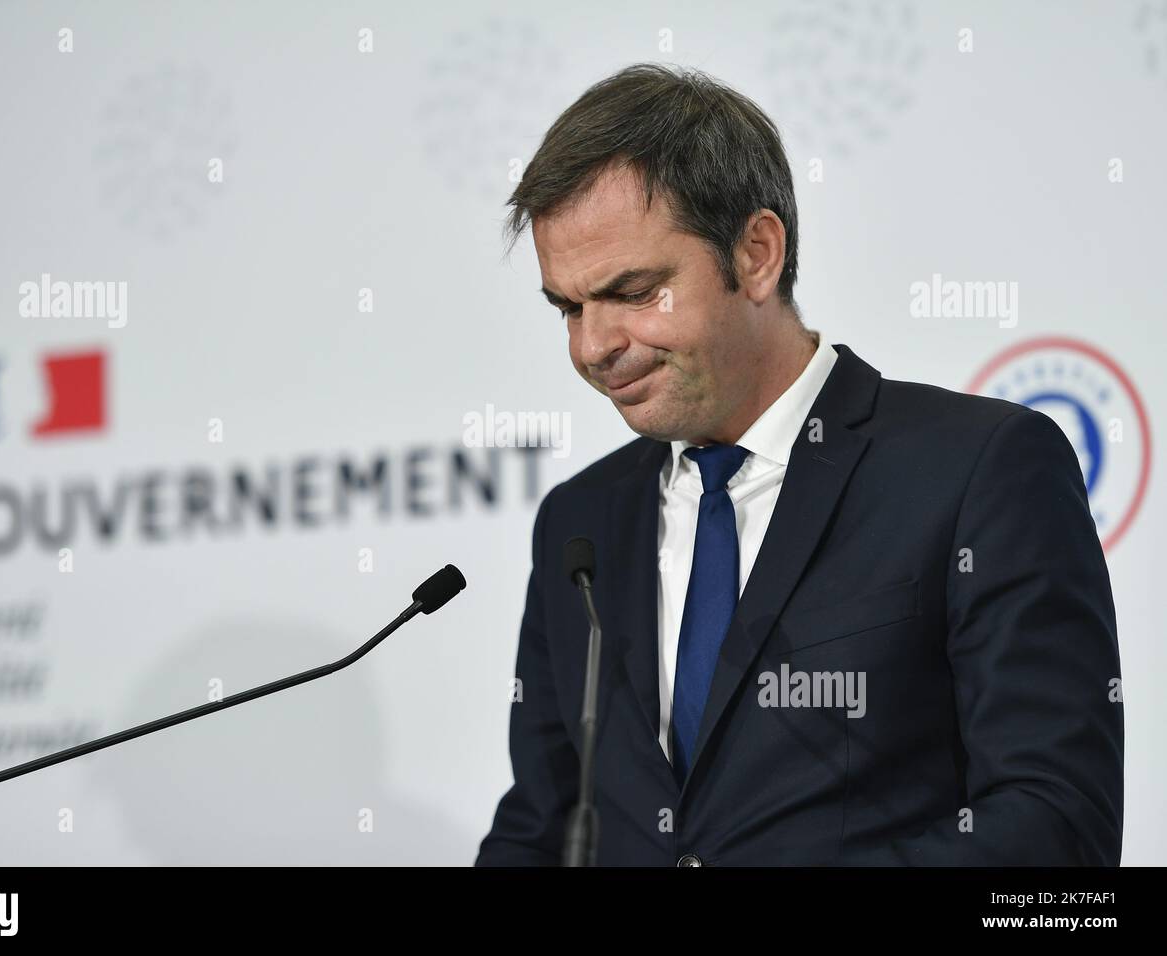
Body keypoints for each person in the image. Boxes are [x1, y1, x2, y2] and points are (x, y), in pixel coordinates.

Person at [475, 64, 1123, 866]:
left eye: (634, 292)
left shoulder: (978, 469)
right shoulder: (581, 523)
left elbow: (1055, 826)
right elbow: (543, 826)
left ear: (756, 254)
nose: (591, 346)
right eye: (569, 307)